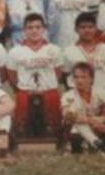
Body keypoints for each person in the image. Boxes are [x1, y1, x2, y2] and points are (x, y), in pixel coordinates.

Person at [6, 12, 64, 141]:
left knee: (52, 129)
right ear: (24, 30)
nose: (34, 30)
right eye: (30, 27)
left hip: (49, 92)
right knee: (23, 130)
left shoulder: (54, 49)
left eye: (38, 27)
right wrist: (22, 89)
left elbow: (58, 73)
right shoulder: (15, 51)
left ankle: (55, 139)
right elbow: (12, 75)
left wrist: (48, 85)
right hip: (26, 93)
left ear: (44, 29)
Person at [62, 63, 105, 152]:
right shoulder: (68, 95)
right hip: (82, 129)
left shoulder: (99, 90)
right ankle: (96, 143)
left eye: (83, 77)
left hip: (101, 124)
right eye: (76, 77)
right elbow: (67, 115)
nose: (79, 80)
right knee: (76, 121)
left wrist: (104, 118)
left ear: (91, 79)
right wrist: (92, 121)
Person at [63, 11, 105, 89]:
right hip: (78, 94)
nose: (87, 30)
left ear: (96, 28)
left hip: (103, 92)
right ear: (76, 29)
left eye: (90, 27)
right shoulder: (68, 51)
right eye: (83, 27)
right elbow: (65, 75)